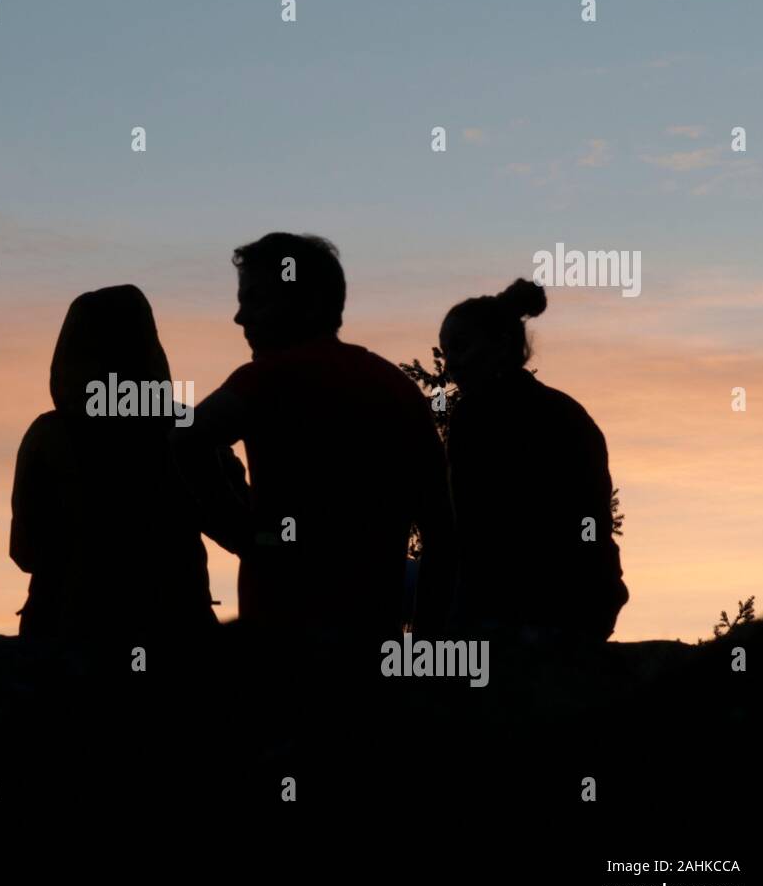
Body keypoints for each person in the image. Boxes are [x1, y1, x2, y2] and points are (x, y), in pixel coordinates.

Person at [172, 233, 455, 640]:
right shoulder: (394, 387)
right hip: (371, 643)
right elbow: (440, 530)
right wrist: (428, 642)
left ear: (303, 303)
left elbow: (186, 440)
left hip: (278, 640)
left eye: (254, 299)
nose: (239, 317)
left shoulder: (265, 379)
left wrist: (241, 533)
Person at [10, 285, 245, 645]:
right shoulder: (187, 427)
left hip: (66, 635)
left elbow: (25, 552)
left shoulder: (48, 436)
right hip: (177, 633)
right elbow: (237, 528)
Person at [439, 278, 628, 642]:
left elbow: (471, 530)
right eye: (447, 353)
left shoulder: (475, 416)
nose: (452, 366)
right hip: (590, 599)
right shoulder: (567, 411)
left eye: (461, 348)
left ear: (500, 345)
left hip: (524, 603)